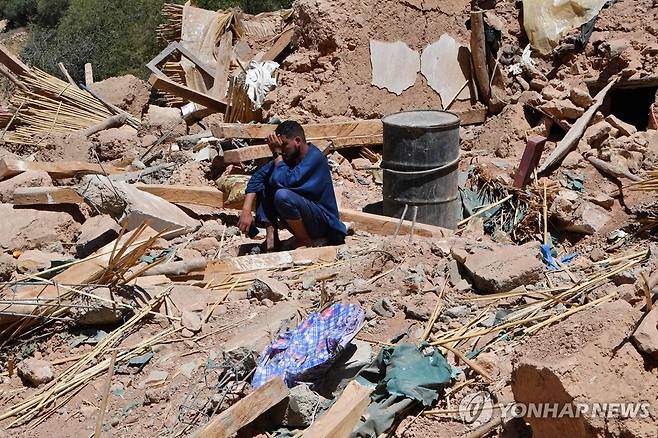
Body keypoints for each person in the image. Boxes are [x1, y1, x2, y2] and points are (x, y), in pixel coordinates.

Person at [238, 120, 347, 250]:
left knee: (282, 195)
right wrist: (246, 211)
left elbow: (286, 181)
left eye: (284, 145)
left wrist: (277, 154)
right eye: (279, 146)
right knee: (268, 181)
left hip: (324, 222)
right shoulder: (288, 158)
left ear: (297, 141)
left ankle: (304, 241)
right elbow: (257, 178)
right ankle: (272, 238)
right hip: (306, 218)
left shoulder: (314, 158)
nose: (282, 150)